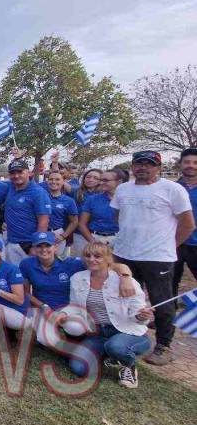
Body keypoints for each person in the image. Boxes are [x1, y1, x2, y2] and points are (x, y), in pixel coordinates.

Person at [111, 150, 195, 366]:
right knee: (125, 298)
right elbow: (119, 216)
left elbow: (187, 225)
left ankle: (164, 345)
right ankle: (131, 336)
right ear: (132, 166)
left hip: (158, 257)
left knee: (162, 301)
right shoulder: (123, 189)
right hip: (125, 254)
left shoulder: (172, 189)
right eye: (139, 163)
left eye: (149, 164)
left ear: (158, 167)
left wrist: (168, 246)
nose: (143, 168)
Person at [62, 243, 154, 388]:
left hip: (127, 331)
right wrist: (64, 315)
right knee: (79, 368)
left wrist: (142, 316)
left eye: (97, 256)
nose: (91, 259)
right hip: (98, 333)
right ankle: (109, 354)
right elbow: (75, 306)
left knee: (116, 346)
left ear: (108, 259)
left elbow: (138, 313)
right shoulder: (77, 279)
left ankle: (129, 365)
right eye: (88, 256)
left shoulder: (126, 281)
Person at [21, 232, 136, 348]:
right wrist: (43, 306)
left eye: (47, 246)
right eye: (39, 246)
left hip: (68, 309)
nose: (43, 249)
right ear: (34, 249)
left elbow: (112, 265)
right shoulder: (26, 264)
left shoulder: (71, 263)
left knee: (75, 328)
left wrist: (125, 277)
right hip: (43, 308)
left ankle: (82, 341)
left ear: (55, 247)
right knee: (48, 341)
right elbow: (25, 292)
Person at [3, 159, 51, 264]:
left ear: (29, 173)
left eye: (20, 172)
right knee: (14, 277)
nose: (16, 176)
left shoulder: (38, 193)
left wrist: (36, 245)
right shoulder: (10, 187)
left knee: (30, 277)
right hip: (11, 241)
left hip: (29, 244)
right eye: (13, 173)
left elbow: (43, 222)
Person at [174, 148, 197, 309]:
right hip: (174, 242)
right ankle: (167, 316)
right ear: (180, 164)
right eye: (187, 162)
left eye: (195, 163)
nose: (191, 166)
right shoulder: (172, 188)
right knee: (169, 282)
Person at [78, 169, 123, 249]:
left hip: (118, 241)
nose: (101, 183)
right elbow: (82, 223)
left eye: (106, 180)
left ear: (118, 182)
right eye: (101, 180)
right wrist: (92, 240)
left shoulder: (126, 200)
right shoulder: (92, 199)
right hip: (95, 238)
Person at [69, 168, 103, 256]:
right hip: (79, 234)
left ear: (100, 181)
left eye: (95, 178)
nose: (91, 179)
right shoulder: (77, 192)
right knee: (81, 259)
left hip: (98, 234)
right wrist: (55, 163)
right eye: (88, 177)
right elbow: (61, 182)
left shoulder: (103, 195)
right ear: (84, 178)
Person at [44, 170, 78, 256]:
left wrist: (63, 236)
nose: (53, 182)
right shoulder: (40, 197)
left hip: (57, 233)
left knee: (57, 260)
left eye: (57, 179)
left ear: (63, 182)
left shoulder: (69, 201)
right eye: (51, 179)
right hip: (41, 232)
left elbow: (74, 221)